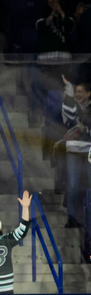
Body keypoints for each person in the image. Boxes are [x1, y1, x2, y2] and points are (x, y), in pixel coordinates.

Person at [60, 75, 91, 228]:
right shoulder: (72, 107)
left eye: (80, 92)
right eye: (76, 92)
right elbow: (68, 119)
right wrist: (69, 90)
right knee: (73, 186)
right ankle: (71, 218)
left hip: (90, 151)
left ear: (88, 93)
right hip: (73, 150)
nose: (77, 94)